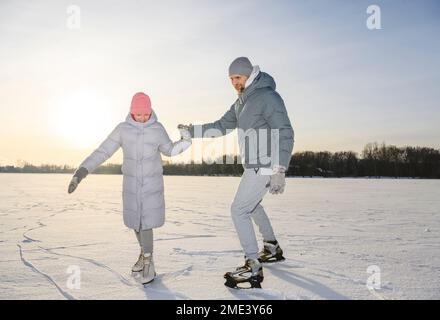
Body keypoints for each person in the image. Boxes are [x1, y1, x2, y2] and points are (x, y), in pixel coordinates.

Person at [179, 57, 294, 288]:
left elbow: (285, 131)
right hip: (253, 165)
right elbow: (221, 126)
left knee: (239, 209)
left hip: (266, 163)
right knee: (251, 206)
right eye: (231, 79)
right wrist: (192, 131)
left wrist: (280, 169)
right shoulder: (241, 102)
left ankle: (252, 266)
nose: (234, 82)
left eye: (237, 78)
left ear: (249, 74)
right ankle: (271, 247)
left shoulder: (267, 97)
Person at [68, 92, 191, 285]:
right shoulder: (122, 129)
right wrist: (82, 170)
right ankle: (144, 254)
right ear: (131, 112)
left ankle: (149, 261)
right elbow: (103, 151)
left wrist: (185, 140)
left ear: (150, 111)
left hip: (152, 185)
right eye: (138, 114)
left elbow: (169, 150)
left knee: (147, 222)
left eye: (145, 114)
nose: (142, 118)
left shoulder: (157, 129)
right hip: (131, 185)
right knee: (136, 222)